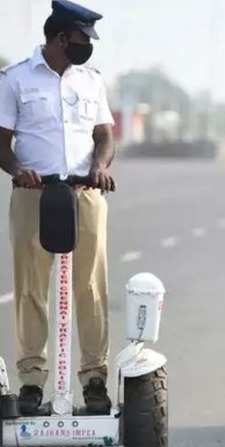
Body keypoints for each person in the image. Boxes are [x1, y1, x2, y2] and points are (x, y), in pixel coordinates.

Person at [0, 0, 115, 415]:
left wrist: (100, 166)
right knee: (31, 287)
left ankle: (94, 379)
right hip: (35, 194)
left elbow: (104, 136)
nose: (88, 47)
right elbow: (1, 140)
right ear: (61, 37)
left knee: (90, 287)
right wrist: (17, 169)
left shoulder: (91, 81)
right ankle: (32, 381)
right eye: (83, 40)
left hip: (85, 193)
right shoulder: (15, 79)